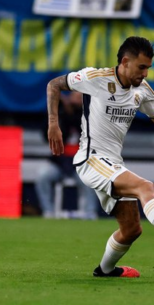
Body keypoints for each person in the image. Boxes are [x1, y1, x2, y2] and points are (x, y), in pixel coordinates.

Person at [46, 36, 154, 278]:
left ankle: (104, 271)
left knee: (132, 229)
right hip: (91, 159)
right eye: (141, 67)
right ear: (125, 61)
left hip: (113, 164)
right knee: (146, 187)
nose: (145, 74)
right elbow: (54, 84)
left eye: (148, 68)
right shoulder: (95, 78)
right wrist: (54, 123)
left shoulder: (141, 90)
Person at [35, 91, 98, 220]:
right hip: (59, 162)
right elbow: (46, 135)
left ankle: (90, 213)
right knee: (42, 175)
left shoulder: (89, 114)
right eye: (73, 97)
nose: (75, 100)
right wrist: (57, 110)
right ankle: (48, 212)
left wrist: (73, 110)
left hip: (81, 163)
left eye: (79, 97)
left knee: (90, 179)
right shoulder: (59, 114)